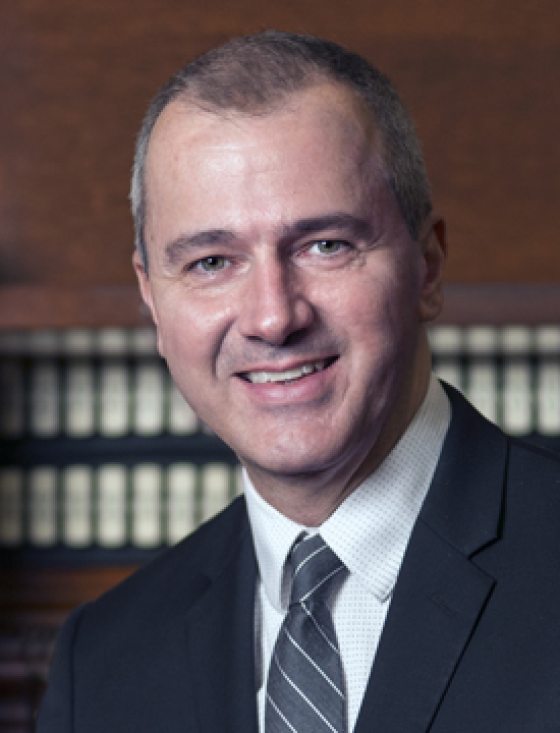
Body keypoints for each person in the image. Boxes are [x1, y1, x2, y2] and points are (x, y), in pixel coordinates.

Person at [37, 31, 560, 733]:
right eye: (212, 262)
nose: (273, 316)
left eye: (326, 245)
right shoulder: (103, 662)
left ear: (428, 265)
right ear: (153, 300)